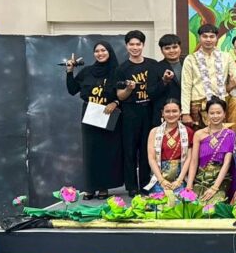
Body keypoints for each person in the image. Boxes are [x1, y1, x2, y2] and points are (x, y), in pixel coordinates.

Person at [65, 41, 123, 200]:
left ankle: (103, 187)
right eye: (97, 51)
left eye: (103, 50)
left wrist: (116, 102)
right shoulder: (87, 71)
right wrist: (69, 72)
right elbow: (72, 90)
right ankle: (90, 188)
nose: (100, 53)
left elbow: (124, 94)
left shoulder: (117, 72)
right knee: (90, 152)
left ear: (109, 52)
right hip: (90, 115)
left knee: (105, 152)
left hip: (108, 115)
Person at [115, 30, 163, 195]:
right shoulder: (121, 69)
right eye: (131, 44)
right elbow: (120, 96)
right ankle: (131, 186)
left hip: (148, 112)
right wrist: (128, 89)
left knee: (146, 149)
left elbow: (158, 89)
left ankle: (144, 184)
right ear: (126, 46)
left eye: (138, 44)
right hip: (130, 113)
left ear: (143, 45)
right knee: (129, 150)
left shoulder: (153, 64)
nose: (135, 47)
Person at [181, 24, 236, 128]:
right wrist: (185, 112)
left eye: (212, 36)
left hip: (221, 106)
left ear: (216, 38)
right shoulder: (190, 59)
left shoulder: (226, 57)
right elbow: (186, 86)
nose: (208, 40)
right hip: (198, 107)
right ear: (199, 38)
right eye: (205, 36)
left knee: (221, 136)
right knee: (201, 136)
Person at [187, 97, 236, 206]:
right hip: (201, 179)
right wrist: (189, 186)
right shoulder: (198, 134)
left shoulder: (230, 134)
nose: (215, 116)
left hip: (220, 180)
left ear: (224, 114)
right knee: (193, 206)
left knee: (213, 207)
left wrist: (214, 188)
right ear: (207, 115)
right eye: (212, 113)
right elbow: (194, 162)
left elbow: (227, 163)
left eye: (218, 113)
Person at [146, 98, 194, 197]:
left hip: (180, 177)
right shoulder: (154, 132)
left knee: (179, 202)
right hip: (160, 177)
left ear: (180, 112)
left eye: (174, 111)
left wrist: (179, 180)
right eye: (167, 111)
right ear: (162, 113)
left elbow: (189, 158)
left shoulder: (188, 131)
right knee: (159, 203)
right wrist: (161, 180)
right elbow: (151, 159)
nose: (171, 114)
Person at [153, 33, 184, 122]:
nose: (171, 51)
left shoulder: (188, 63)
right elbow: (151, 93)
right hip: (166, 114)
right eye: (167, 48)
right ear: (161, 50)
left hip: (186, 112)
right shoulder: (155, 67)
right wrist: (164, 81)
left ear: (180, 48)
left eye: (174, 47)